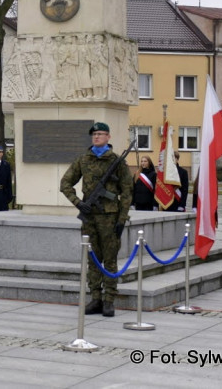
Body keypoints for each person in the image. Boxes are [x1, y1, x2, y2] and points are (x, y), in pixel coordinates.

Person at [59, 122, 132, 317]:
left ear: (108, 137)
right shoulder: (83, 160)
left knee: (109, 260)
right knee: (93, 260)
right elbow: (65, 183)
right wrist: (78, 203)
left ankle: (109, 300)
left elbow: (127, 192)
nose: (96, 137)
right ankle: (96, 298)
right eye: (94, 134)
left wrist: (122, 219)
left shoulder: (116, 161)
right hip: (89, 217)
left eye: (100, 134)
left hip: (110, 218)